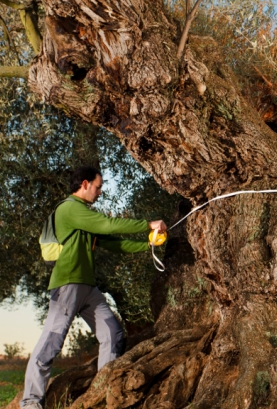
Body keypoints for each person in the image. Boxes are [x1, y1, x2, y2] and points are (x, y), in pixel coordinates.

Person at [21, 166, 166, 409]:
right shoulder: (70, 208)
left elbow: (115, 244)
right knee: (50, 343)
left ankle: (103, 393)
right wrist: (148, 224)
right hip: (68, 286)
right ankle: (30, 402)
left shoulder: (85, 216)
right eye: (98, 187)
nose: (100, 192)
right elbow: (108, 225)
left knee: (112, 333)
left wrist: (148, 244)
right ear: (85, 184)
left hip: (88, 288)